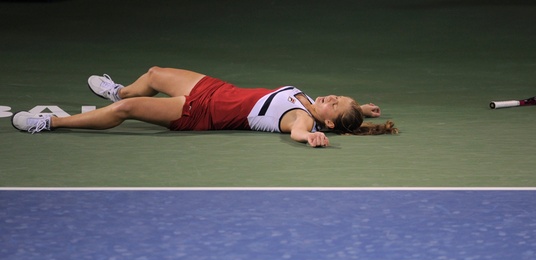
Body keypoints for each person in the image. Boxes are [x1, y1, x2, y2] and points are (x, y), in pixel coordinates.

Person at [11, 67, 398, 147]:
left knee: (124, 116)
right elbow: (331, 111)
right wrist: (358, 109)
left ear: (325, 124)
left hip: (202, 113)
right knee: (155, 73)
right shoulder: (314, 104)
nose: (330, 97)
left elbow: (298, 130)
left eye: (335, 104)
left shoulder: (300, 118)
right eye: (338, 95)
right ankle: (121, 91)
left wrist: (309, 137)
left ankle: (52, 124)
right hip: (215, 89)